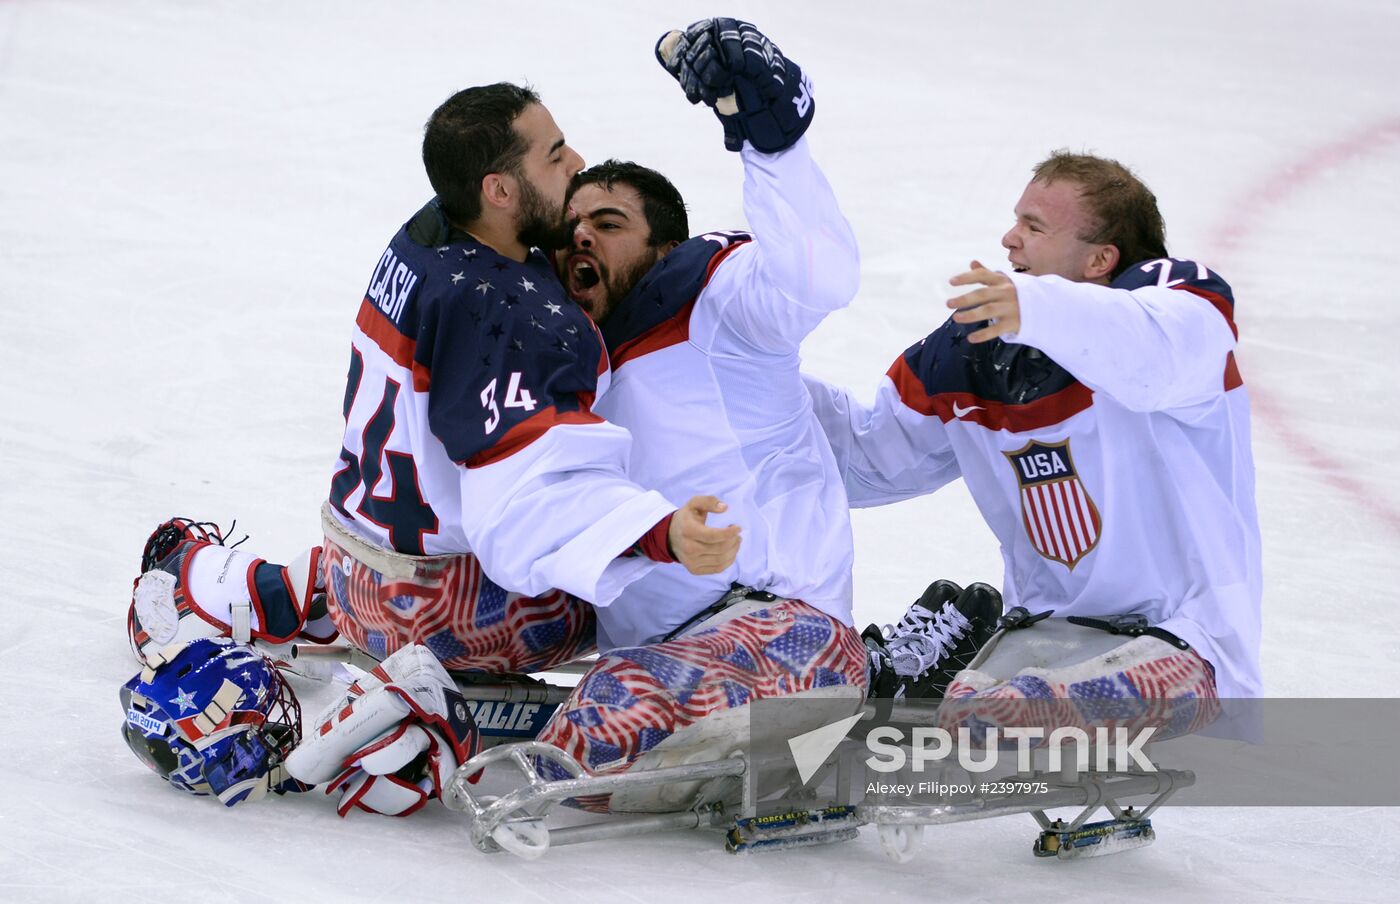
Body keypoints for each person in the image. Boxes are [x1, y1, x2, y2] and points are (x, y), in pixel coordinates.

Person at [806, 151, 1260, 723]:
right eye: (1016, 220)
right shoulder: (974, 350)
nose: (1008, 240)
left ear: (1100, 259)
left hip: (1183, 641)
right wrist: (747, 381)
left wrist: (1037, 306)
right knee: (943, 723)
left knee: (987, 724)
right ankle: (924, 674)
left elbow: (1152, 355)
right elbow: (867, 458)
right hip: (1043, 642)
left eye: (1034, 227)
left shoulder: (1176, 310)